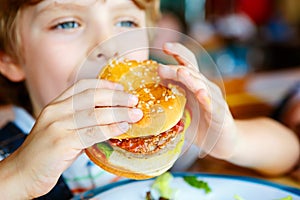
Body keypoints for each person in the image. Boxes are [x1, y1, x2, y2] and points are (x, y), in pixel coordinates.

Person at [0, 0, 299, 199]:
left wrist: (232, 140)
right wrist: (18, 174)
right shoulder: (10, 149)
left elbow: (289, 152)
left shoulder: (157, 131)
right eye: (67, 24)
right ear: (10, 56)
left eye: (126, 23)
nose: (109, 46)